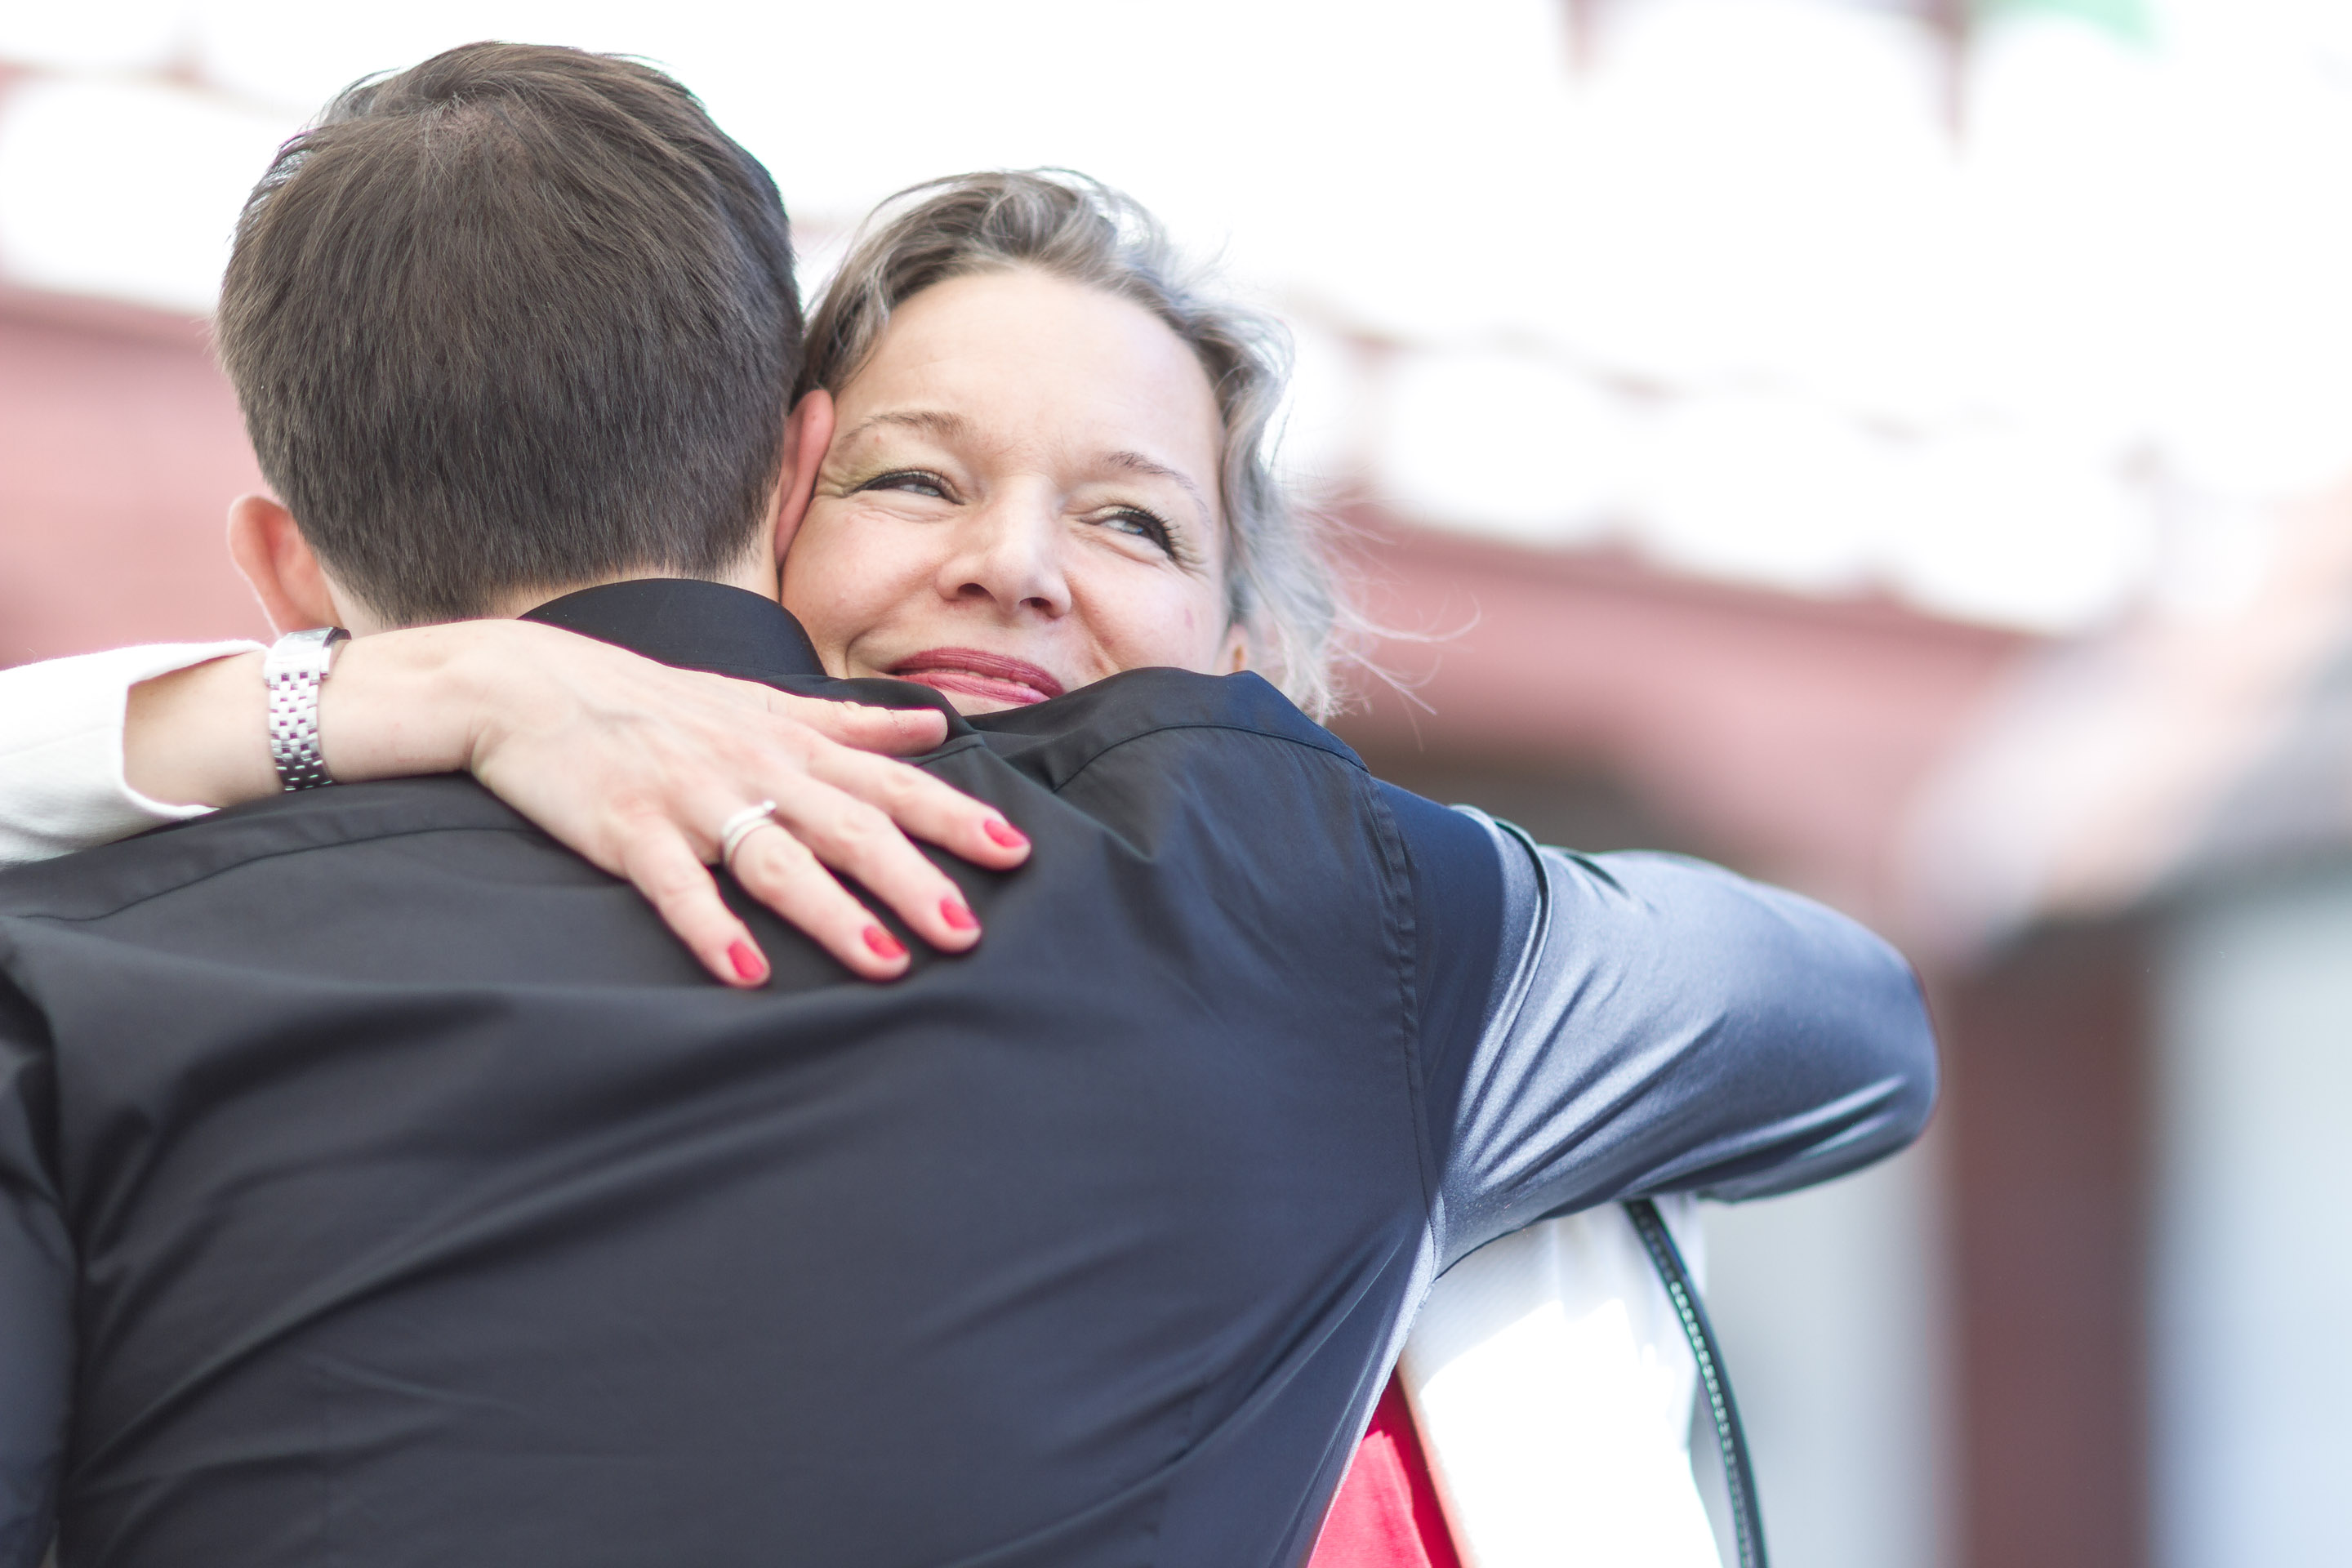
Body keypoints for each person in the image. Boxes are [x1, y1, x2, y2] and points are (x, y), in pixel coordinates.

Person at [0, 44, 1936, 1568]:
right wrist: (398, 696)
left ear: (1252, 660)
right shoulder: (1298, 918)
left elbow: (1841, 1016)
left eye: (1132, 522)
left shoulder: (1322, 923)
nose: (1014, 567)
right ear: (785, 489)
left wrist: (331, 694)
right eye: (918, 481)